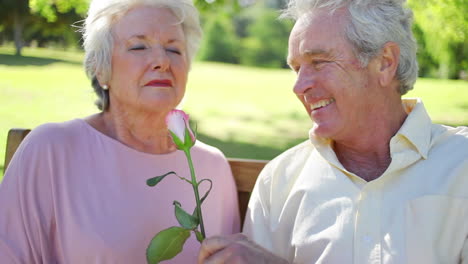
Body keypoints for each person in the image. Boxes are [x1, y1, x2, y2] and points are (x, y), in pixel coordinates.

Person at [198, 0, 468, 263]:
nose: (299, 86)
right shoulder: (279, 181)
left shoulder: (461, 164)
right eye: (296, 68)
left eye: (319, 62)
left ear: (385, 62)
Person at [0, 0, 240, 262]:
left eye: (174, 50)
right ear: (100, 69)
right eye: (138, 46)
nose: (162, 61)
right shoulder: (51, 150)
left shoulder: (212, 167)